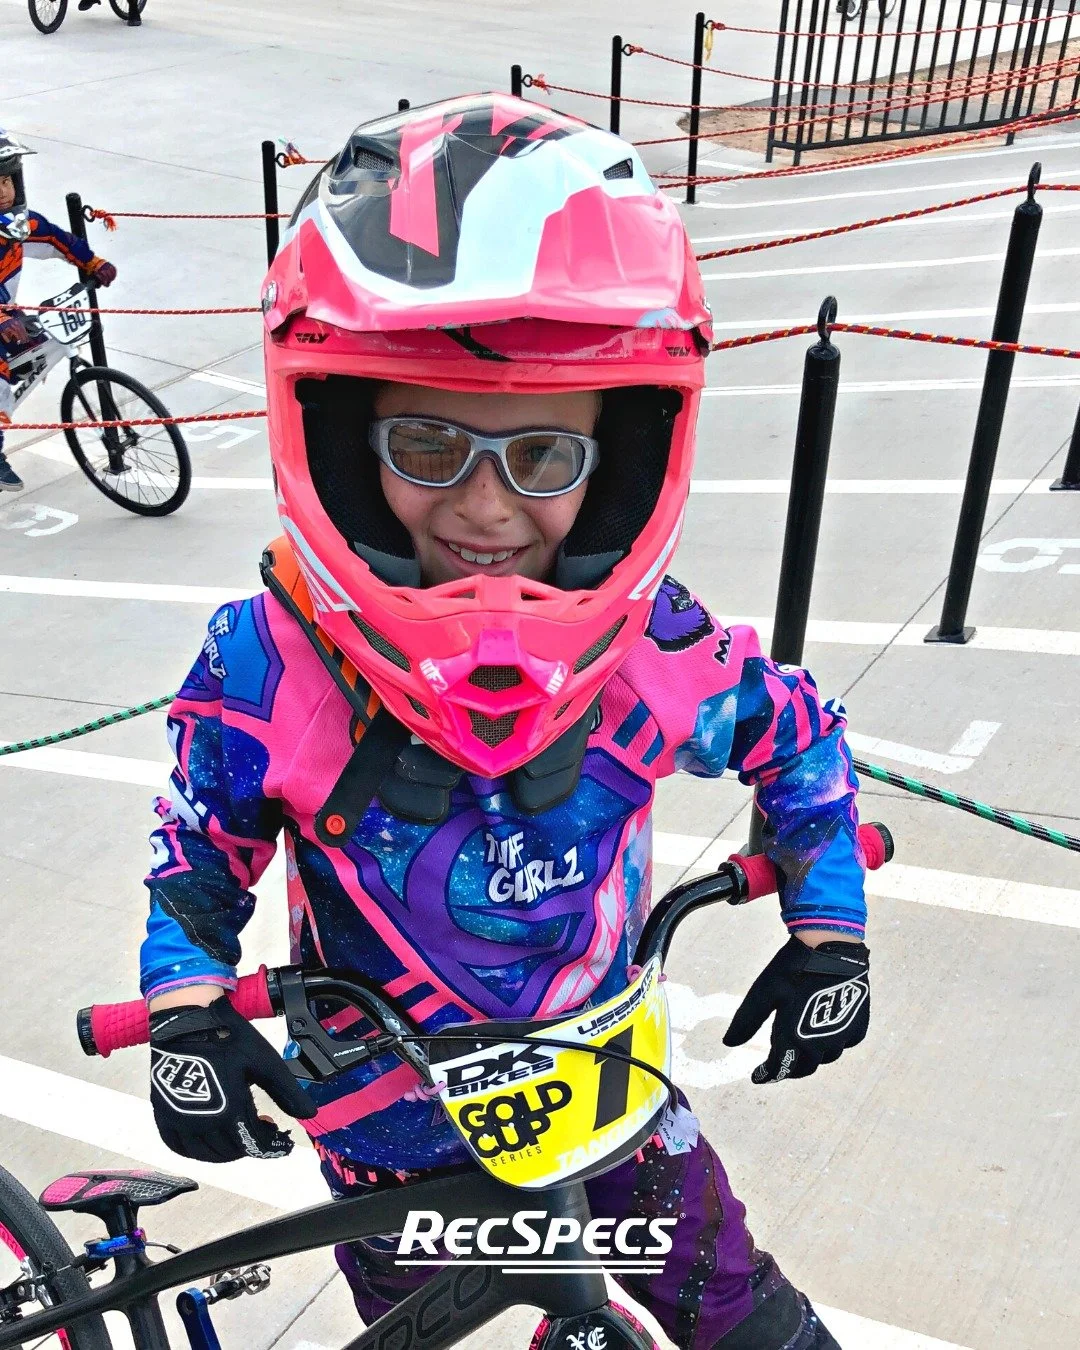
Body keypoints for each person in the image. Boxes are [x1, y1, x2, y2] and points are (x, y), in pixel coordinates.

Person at [140, 96, 870, 1350]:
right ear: (342, 432)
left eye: (544, 457)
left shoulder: (653, 646)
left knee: (754, 1328)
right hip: (387, 1134)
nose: (484, 511)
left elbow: (798, 737)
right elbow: (200, 849)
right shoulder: (269, 659)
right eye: (426, 442)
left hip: (611, 1101)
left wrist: (831, 929)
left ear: (623, 460)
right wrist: (184, 1010)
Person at [0, 130, 117, 492]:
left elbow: (56, 239)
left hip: (8, 312)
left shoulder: (21, 224)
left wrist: (93, 262)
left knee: (39, 337)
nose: (4, 190)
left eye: (7, 180)